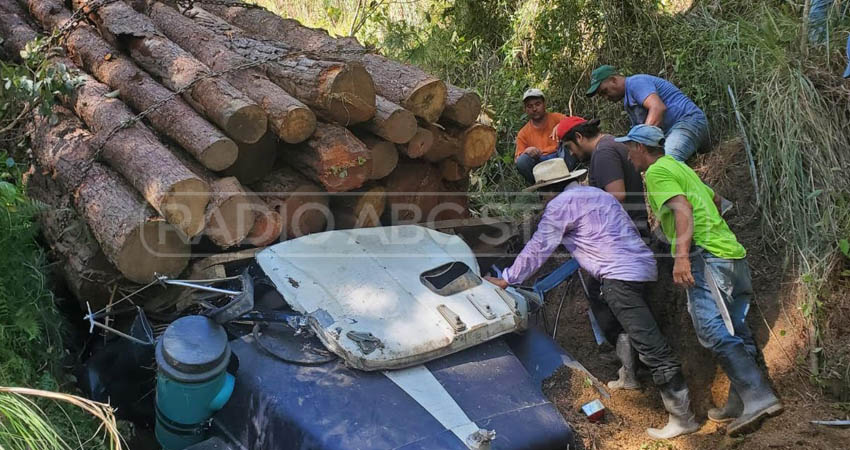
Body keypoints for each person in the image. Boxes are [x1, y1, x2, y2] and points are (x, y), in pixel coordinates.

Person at [484, 158, 700, 439]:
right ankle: (630, 377)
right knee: (620, 324)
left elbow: (539, 247)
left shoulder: (559, 206)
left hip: (618, 276)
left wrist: (508, 278)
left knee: (650, 344)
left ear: (548, 190)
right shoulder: (597, 194)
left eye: (541, 193)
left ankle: (683, 418)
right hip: (641, 268)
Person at [618, 124, 784, 437]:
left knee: (711, 329)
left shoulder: (656, 173)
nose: (628, 155)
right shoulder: (679, 167)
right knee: (736, 328)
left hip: (705, 256)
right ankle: (739, 400)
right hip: (730, 253)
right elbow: (716, 200)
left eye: (630, 148)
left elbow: (682, 209)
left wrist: (681, 256)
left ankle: (758, 397)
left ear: (641, 147)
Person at [554, 115, 649, 391]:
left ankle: (631, 371)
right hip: (627, 238)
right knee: (612, 300)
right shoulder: (613, 147)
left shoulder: (604, 152)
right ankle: (630, 367)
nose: (572, 153)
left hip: (621, 244)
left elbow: (616, 195)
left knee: (607, 300)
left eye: (571, 148)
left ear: (580, 138)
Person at [586, 65, 709, 162]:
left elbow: (658, 108)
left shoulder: (636, 83)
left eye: (604, 91)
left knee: (666, 164)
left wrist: (642, 145)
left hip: (688, 122)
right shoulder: (629, 101)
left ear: (613, 80)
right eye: (601, 95)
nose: (605, 97)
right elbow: (636, 135)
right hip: (674, 131)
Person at [514, 89, 569, 184]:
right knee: (522, 161)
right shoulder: (523, 133)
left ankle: (565, 178)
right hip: (540, 162)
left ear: (544, 104)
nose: (534, 109)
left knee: (569, 144)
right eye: (530, 106)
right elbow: (517, 160)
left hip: (560, 155)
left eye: (537, 104)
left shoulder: (557, 118)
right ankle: (542, 186)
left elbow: (577, 123)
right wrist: (527, 151)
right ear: (525, 109)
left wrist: (562, 126)